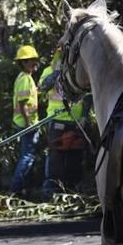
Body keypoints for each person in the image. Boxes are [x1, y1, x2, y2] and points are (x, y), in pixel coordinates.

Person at [39, 48, 88, 199]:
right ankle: (52, 190)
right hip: (56, 121)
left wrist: (85, 116)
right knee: (56, 156)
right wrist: (57, 73)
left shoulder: (78, 72)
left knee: (75, 157)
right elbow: (42, 88)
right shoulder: (49, 71)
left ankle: (72, 190)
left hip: (76, 120)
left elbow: (87, 94)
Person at [9, 45, 41, 195]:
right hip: (25, 124)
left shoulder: (26, 78)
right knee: (27, 157)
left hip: (25, 122)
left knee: (27, 156)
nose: (34, 64)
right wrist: (29, 123)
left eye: (35, 61)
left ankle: (23, 188)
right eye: (31, 62)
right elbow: (22, 104)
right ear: (23, 63)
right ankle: (15, 189)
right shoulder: (25, 79)